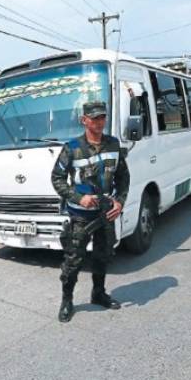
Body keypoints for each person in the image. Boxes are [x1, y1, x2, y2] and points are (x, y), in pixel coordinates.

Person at [51, 101, 130, 323]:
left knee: (102, 257)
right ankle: (67, 301)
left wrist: (120, 202)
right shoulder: (72, 148)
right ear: (84, 120)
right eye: (94, 118)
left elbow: (123, 177)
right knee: (73, 262)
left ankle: (98, 293)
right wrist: (78, 198)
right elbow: (57, 178)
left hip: (105, 213)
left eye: (102, 117)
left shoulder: (113, 145)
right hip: (80, 215)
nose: (99, 122)